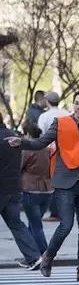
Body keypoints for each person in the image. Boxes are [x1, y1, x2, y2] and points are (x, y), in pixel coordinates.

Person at [5, 90, 79, 281]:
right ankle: (48, 257)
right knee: (65, 226)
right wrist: (22, 142)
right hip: (64, 182)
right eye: (76, 103)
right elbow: (42, 142)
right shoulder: (61, 123)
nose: (78, 107)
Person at [0, 112, 42, 270]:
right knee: (16, 224)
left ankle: (33, 257)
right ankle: (33, 257)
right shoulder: (12, 136)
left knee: (16, 224)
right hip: (14, 188)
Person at [20, 121, 52, 255]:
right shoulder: (48, 149)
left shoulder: (28, 149)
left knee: (36, 226)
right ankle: (32, 254)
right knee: (33, 224)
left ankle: (45, 255)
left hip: (30, 190)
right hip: (47, 190)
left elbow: (19, 167)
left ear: (27, 134)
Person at [37, 91, 69, 223]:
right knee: (66, 181)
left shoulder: (44, 116)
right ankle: (66, 210)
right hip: (68, 151)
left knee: (53, 182)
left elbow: (41, 135)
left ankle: (55, 212)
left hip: (51, 151)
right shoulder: (67, 114)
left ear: (47, 101)